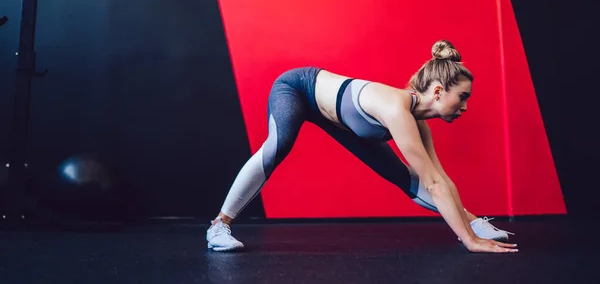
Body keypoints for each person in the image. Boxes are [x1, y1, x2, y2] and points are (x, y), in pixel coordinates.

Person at [206, 40, 517, 253]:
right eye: (462, 97)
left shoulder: (418, 123)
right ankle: (220, 225)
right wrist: (470, 241)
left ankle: (474, 221)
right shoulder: (396, 109)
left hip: (344, 122)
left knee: (403, 178)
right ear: (437, 91)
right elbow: (434, 185)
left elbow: (440, 179)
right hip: (298, 89)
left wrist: (471, 225)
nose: (464, 106)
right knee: (278, 145)